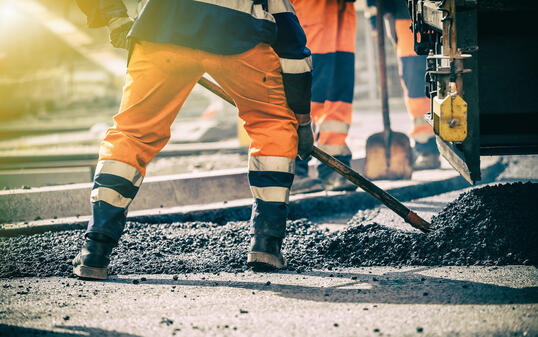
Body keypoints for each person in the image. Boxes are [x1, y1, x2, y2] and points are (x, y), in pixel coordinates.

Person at [72, 0, 314, 279]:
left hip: (162, 27)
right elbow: (291, 43)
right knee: (272, 125)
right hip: (238, 32)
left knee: (133, 132)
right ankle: (266, 245)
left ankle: (96, 249)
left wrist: (112, 17)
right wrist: (301, 119)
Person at [290, 0, 358, 194]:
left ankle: (334, 165)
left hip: (341, 8)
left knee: (338, 92)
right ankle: (292, 169)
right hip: (308, 8)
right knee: (307, 85)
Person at [365, 0, 440, 169]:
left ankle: (448, 144)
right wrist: (376, 20)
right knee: (416, 84)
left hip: (446, 12)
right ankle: (427, 147)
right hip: (407, 15)